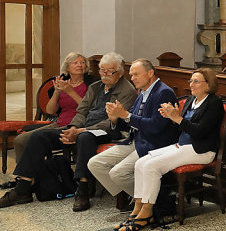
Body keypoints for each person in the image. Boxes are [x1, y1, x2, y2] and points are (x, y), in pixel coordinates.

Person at [1, 53, 135, 211]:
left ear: (120, 73)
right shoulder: (96, 87)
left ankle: (83, 190)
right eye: (102, 71)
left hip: (110, 130)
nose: (105, 75)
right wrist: (72, 128)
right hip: (82, 127)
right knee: (39, 136)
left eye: (110, 71)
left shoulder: (128, 91)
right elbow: (81, 112)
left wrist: (81, 130)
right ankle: (22, 189)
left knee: (86, 137)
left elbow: (113, 121)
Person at [116, 68, 224, 231]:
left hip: (201, 150)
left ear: (208, 85)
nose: (191, 84)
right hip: (183, 145)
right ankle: (137, 208)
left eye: (196, 81)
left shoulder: (213, 103)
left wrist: (177, 118)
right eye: (191, 81)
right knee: (141, 163)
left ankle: (147, 212)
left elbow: (200, 131)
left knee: (152, 166)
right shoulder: (190, 100)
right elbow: (181, 127)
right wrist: (170, 117)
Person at [88, 59, 178, 209]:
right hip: (135, 139)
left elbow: (156, 126)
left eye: (136, 74)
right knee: (95, 164)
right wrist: (115, 118)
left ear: (150, 73)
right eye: (131, 75)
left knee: (118, 173)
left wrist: (126, 115)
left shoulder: (163, 92)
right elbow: (131, 121)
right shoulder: (142, 92)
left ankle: (153, 201)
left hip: (154, 143)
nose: (132, 78)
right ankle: (131, 196)